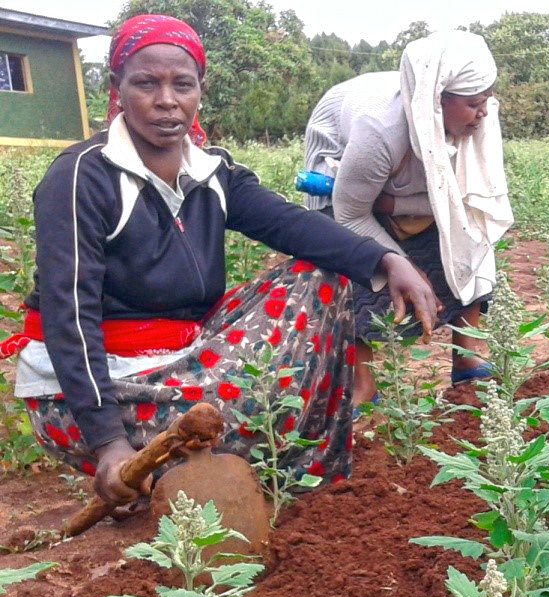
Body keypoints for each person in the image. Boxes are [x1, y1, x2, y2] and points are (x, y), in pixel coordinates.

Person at [3, 14, 439, 510]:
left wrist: (386, 259)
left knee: (320, 275)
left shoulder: (214, 171)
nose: (166, 100)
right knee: (236, 413)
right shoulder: (83, 176)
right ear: (117, 88)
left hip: (183, 364)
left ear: (199, 90)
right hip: (91, 397)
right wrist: (109, 444)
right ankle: (208, 459)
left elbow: (292, 224)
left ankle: (290, 474)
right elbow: (68, 314)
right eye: (146, 83)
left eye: (182, 85)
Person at [303, 31, 514, 410]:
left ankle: (465, 356)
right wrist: (402, 265)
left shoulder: (478, 118)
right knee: (347, 258)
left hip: (397, 191)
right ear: (435, 102)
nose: (483, 113)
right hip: (343, 177)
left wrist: (394, 205)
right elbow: (350, 213)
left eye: (486, 101)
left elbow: (466, 196)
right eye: (472, 104)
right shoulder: (379, 132)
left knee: (472, 234)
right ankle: (362, 382)